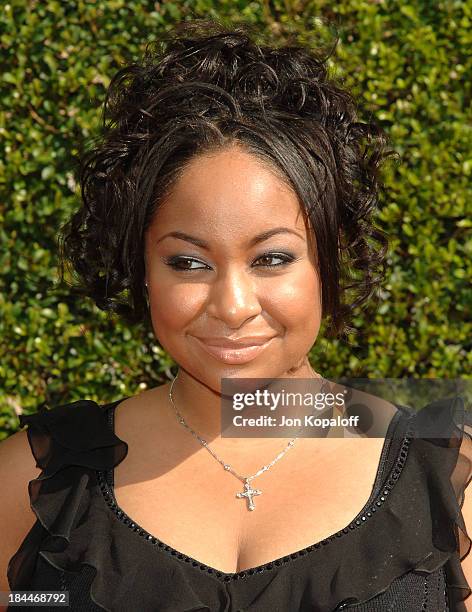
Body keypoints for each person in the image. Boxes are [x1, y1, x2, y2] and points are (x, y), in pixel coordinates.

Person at [1, 18, 471, 612]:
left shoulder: (450, 483)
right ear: (142, 267)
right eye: (189, 262)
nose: (232, 305)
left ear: (328, 260)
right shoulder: (35, 481)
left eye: (272, 258)